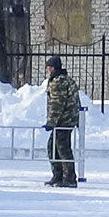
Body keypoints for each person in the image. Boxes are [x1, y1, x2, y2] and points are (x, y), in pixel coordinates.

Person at [43, 56, 80, 188]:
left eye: (48, 67)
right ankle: (59, 176)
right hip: (67, 119)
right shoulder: (64, 79)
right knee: (53, 146)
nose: (47, 70)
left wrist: (51, 122)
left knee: (62, 148)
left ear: (53, 68)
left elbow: (57, 104)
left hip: (64, 120)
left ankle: (68, 178)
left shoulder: (58, 82)